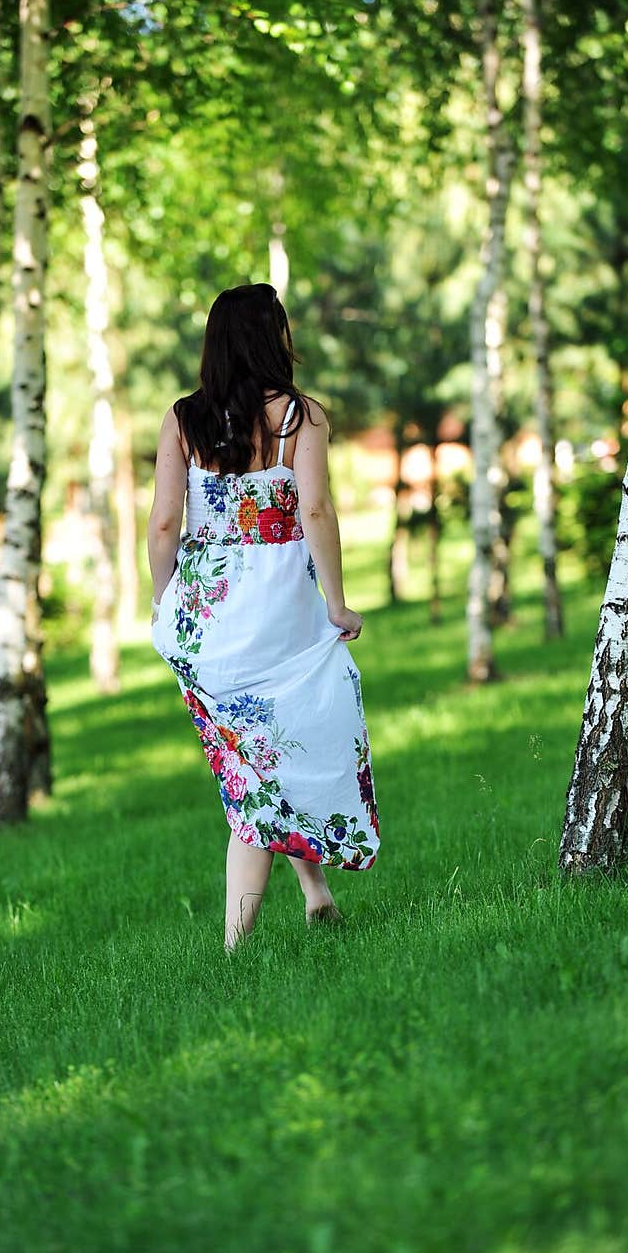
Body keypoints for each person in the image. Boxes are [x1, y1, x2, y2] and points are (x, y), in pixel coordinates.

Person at [148, 282, 379, 951]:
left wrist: (166, 604)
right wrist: (336, 603)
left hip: (210, 624)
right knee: (283, 753)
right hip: (284, 616)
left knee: (263, 763)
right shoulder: (300, 418)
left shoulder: (183, 419)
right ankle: (234, 950)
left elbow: (165, 523)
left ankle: (314, 897)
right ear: (273, 338)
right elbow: (315, 513)